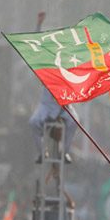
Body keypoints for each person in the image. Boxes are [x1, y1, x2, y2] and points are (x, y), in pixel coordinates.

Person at [29, 12, 78, 164]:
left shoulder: (69, 69)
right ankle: (43, 152)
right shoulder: (48, 65)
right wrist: (39, 25)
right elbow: (37, 47)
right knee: (34, 122)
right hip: (46, 105)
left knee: (74, 122)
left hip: (63, 105)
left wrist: (59, 112)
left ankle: (64, 153)